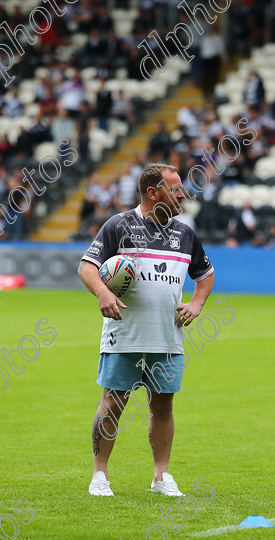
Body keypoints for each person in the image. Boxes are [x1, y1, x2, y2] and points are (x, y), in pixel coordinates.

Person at [78, 163, 214, 497]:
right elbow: (86, 267)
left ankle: (161, 477)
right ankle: (100, 475)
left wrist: (196, 304)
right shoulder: (118, 226)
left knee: (163, 407)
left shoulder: (185, 234)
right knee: (112, 403)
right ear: (153, 192)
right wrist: (103, 292)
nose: (182, 193)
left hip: (167, 339)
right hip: (123, 335)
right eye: (175, 187)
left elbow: (206, 273)